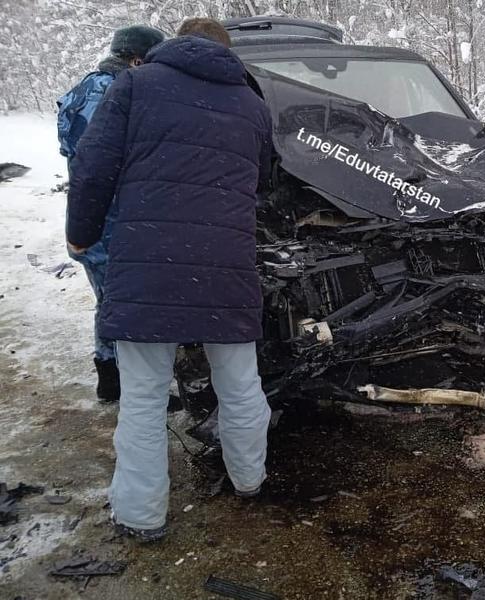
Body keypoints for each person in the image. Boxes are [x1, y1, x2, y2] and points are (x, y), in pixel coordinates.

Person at [66, 17, 273, 542]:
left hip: (149, 264)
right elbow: (266, 180)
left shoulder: (135, 84)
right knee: (241, 386)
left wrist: (80, 235)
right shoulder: (252, 102)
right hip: (227, 265)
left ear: (176, 43)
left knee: (143, 397)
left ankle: (141, 516)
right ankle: (250, 481)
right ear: (228, 54)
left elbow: (93, 164)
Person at [57, 25, 165, 403]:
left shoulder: (88, 88)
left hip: (97, 214)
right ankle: (127, 384)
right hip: (109, 217)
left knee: (110, 299)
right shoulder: (108, 93)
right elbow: (98, 162)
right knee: (121, 302)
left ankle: (112, 378)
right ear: (136, 59)